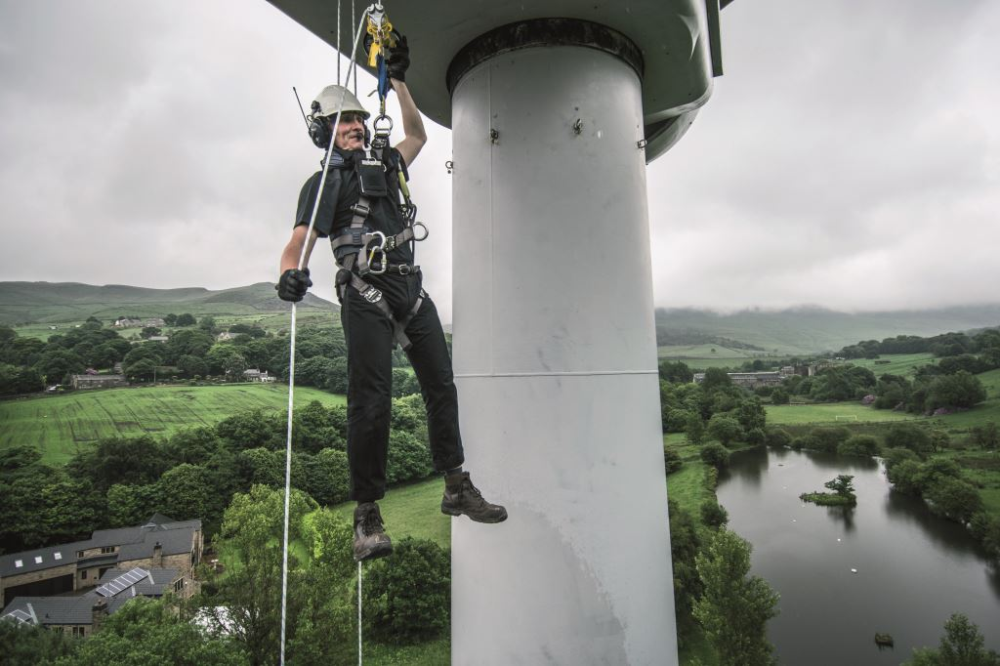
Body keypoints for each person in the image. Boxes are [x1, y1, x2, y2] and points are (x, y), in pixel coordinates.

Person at [275, 36, 506, 562]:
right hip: (364, 290)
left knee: (442, 387)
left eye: (357, 119)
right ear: (323, 133)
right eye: (343, 122)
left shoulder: (387, 166)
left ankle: (455, 485)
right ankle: (367, 516)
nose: (355, 126)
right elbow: (297, 243)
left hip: (410, 287)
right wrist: (289, 275)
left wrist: (397, 78)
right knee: (371, 403)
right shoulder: (322, 184)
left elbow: (417, 134)